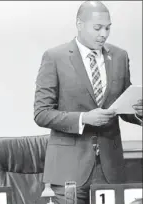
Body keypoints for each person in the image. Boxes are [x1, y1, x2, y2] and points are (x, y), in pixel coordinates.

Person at [34, 1, 142, 204]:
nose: (104, 34)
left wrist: (138, 112)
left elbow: (122, 107)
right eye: (97, 28)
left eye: (108, 28)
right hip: (68, 170)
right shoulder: (55, 57)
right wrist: (84, 118)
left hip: (110, 168)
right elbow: (41, 113)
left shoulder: (119, 56)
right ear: (79, 24)